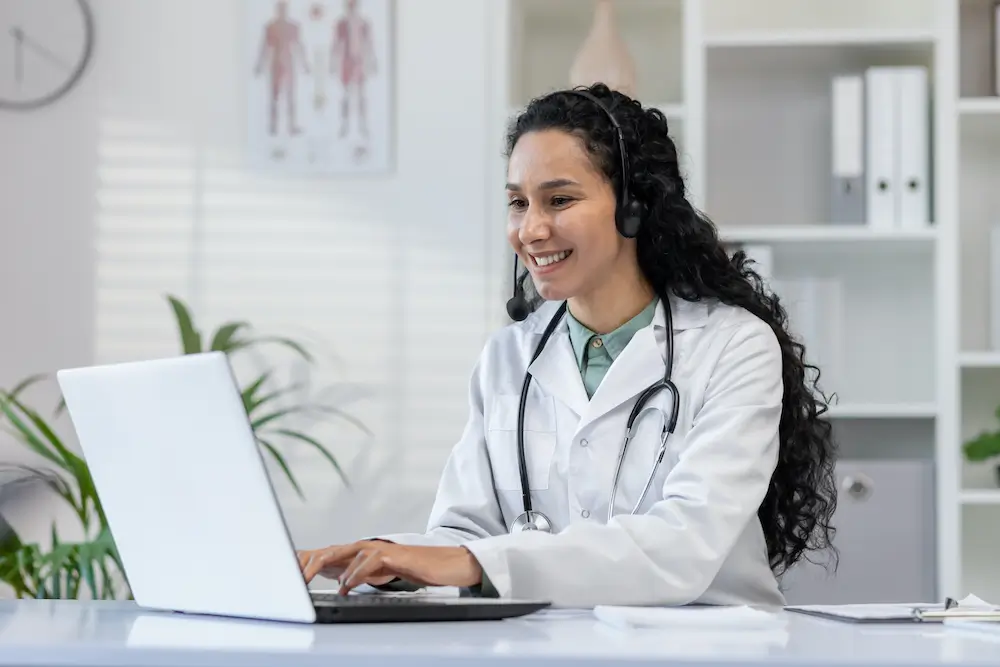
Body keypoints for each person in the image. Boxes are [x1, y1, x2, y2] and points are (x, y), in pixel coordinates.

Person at [297, 83, 838, 609]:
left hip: (704, 646)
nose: (530, 230)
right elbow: (465, 530)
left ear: (633, 205)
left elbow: (684, 547)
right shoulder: (508, 359)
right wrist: (390, 559)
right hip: (547, 644)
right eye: (517, 203)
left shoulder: (733, 347)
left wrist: (479, 564)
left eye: (558, 199)